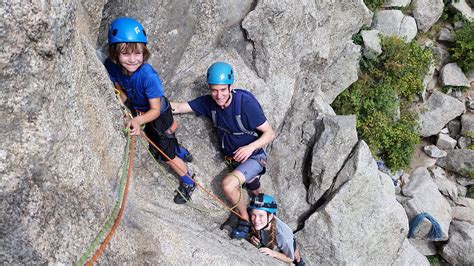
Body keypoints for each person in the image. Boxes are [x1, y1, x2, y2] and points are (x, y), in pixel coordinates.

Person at [171, 62, 275, 239]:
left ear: (230, 87)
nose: (219, 95)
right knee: (254, 189)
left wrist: (250, 147)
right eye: (214, 90)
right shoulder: (209, 103)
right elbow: (179, 107)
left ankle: (245, 220)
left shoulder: (245, 104)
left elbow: (269, 133)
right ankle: (259, 214)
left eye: (223, 90)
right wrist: (154, 105)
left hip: (254, 157)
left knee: (228, 185)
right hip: (234, 160)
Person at [103, 17, 194, 204]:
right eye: (125, 54)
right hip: (141, 111)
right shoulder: (112, 66)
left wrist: (137, 121)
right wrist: (121, 104)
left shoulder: (148, 76)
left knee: (165, 152)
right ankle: (180, 150)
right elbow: (121, 90)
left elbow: (154, 110)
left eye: (138, 53)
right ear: (115, 54)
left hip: (158, 114)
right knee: (162, 141)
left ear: (144, 52)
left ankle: (188, 180)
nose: (132, 59)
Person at [248, 193, 305, 265]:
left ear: (271, 216)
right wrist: (252, 237)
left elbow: (290, 258)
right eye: (253, 214)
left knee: (296, 258)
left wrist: (273, 253)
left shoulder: (282, 235)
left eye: (261, 215)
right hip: (273, 243)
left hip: (284, 246)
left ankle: (300, 262)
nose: (256, 220)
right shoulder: (262, 222)